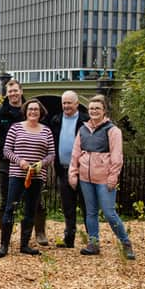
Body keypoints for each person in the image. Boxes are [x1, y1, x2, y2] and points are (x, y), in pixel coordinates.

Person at [69, 95, 135, 259]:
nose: (93, 111)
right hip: (86, 178)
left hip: (104, 178)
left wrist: (114, 176)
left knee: (109, 212)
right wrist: (73, 173)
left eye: (97, 108)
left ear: (104, 110)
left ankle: (126, 242)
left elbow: (117, 155)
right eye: (91, 108)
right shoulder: (83, 129)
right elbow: (75, 154)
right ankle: (93, 243)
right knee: (90, 212)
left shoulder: (113, 130)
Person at [0, 79, 48, 245]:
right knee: (6, 201)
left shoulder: (32, 110)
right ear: (7, 93)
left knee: (36, 200)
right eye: (10, 91)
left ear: (21, 91)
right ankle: (5, 234)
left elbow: (45, 133)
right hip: (8, 163)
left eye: (16, 90)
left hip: (32, 163)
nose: (13, 94)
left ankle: (40, 232)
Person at [0, 98, 55, 258]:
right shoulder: (15, 128)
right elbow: (7, 150)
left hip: (36, 176)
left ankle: (24, 244)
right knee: (10, 208)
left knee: (30, 210)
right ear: (25, 112)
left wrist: (42, 163)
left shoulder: (46, 131)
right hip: (17, 175)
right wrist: (19, 161)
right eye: (30, 109)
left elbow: (51, 154)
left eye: (36, 109)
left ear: (40, 112)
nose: (33, 112)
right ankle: (4, 245)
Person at [48, 90, 89, 248]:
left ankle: (92, 240)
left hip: (83, 170)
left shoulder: (86, 121)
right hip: (63, 169)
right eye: (64, 103)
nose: (66, 106)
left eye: (69, 103)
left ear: (77, 104)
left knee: (87, 206)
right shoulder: (55, 120)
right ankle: (69, 238)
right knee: (68, 206)